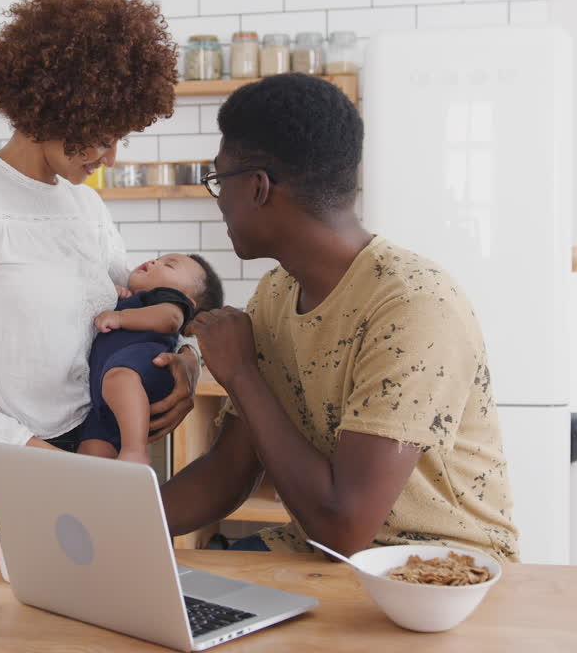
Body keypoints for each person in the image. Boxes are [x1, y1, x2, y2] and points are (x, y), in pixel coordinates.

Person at [162, 73, 520, 563]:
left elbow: (343, 525)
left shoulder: (413, 303)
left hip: (439, 575)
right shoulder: (275, 294)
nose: (219, 200)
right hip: (323, 562)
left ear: (257, 187)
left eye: (219, 181)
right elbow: (227, 473)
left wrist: (242, 374)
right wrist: (110, 526)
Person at [0, 0, 200, 540]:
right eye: (104, 136)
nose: (109, 157)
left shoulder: (85, 204)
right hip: (29, 463)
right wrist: (34, 456)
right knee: (40, 622)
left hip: (99, 441)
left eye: (120, 139)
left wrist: (186, 364)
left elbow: (141, 300)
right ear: (59, 105)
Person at [78, 253, 224, 466]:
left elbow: (170, 319)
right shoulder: (131, 300)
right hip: (103, 397)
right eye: (159, 258)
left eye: (170, 265)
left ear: (187, 301)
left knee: (119, 378)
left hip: (142, 365)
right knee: (91, 450)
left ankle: (135, 451)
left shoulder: (168, 299)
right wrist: (116, 297)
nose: (155, 262)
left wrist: (120, 317)